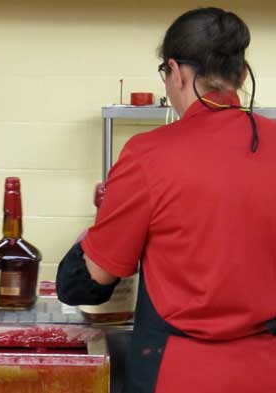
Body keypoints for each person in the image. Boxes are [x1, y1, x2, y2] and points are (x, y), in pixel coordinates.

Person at [56, 7, 276, 393]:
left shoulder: (148, 154)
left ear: (176, 71)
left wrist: (90, 238)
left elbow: (90, 283)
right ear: (241, 74)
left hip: (180, 372)